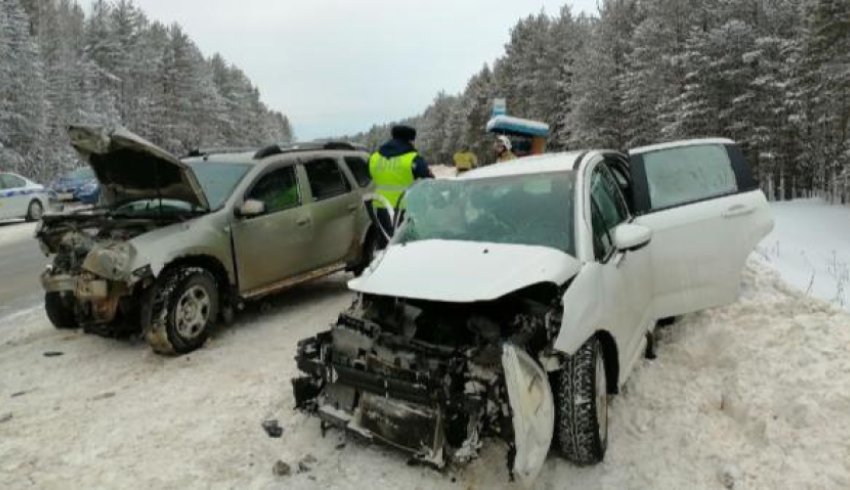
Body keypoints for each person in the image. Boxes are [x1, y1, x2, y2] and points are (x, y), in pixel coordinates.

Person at [368, 124, 432, 248]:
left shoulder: (375, 157)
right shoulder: (413, 158)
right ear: (410, 140)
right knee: (408, 246)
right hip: (406, 209)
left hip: (381, 207)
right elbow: (429, 180)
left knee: (386, 246)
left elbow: (370, 176)